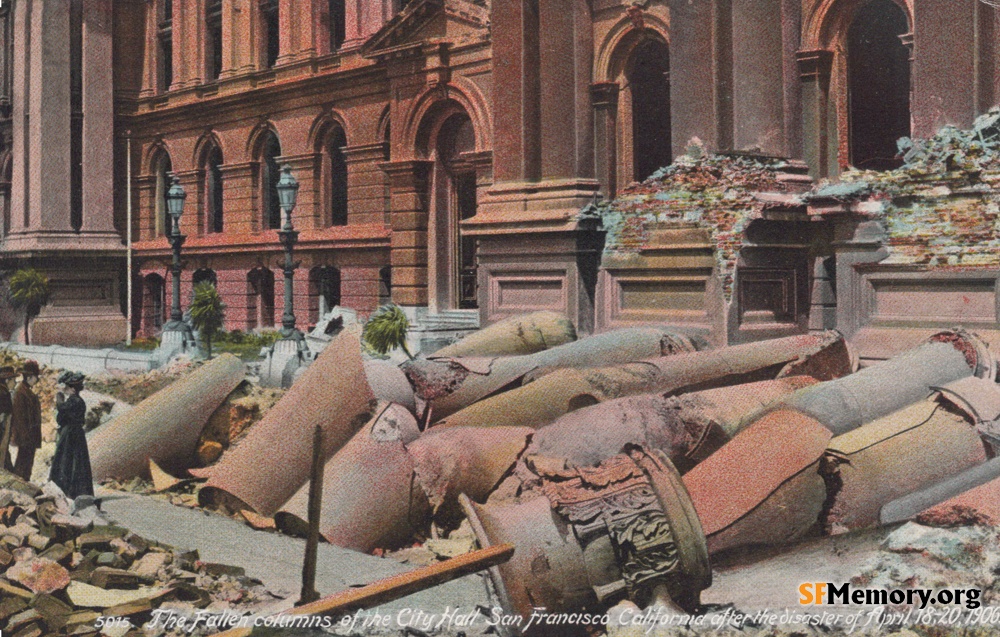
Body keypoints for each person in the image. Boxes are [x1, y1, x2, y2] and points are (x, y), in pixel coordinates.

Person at [49, 371, 94, 499]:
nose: (65, 390)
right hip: (76, 434)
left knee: (66, 462)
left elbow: (61, 414)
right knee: (77, 462)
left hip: (70, 434)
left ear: (73, 389)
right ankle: (75, 490)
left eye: (67, 387)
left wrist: (59, 399)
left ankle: (66, 490)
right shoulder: (77, 400)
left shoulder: (74, 401)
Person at [10, 360, 41, 481]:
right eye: (36, 377)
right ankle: (20, 487)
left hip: (29, 436)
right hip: (26, 437)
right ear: (29, 377)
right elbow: (19, 418)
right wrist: (25, 437)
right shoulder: (20, 392)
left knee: (26, 464)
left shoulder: (25, 390)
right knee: (23, 465)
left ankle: (23, 485)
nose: (37, 380)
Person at [0, 365, 15, 471]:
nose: (15, 383)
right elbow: (4, 416)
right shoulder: (4, 393)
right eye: (13, 380)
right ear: (7, 380)